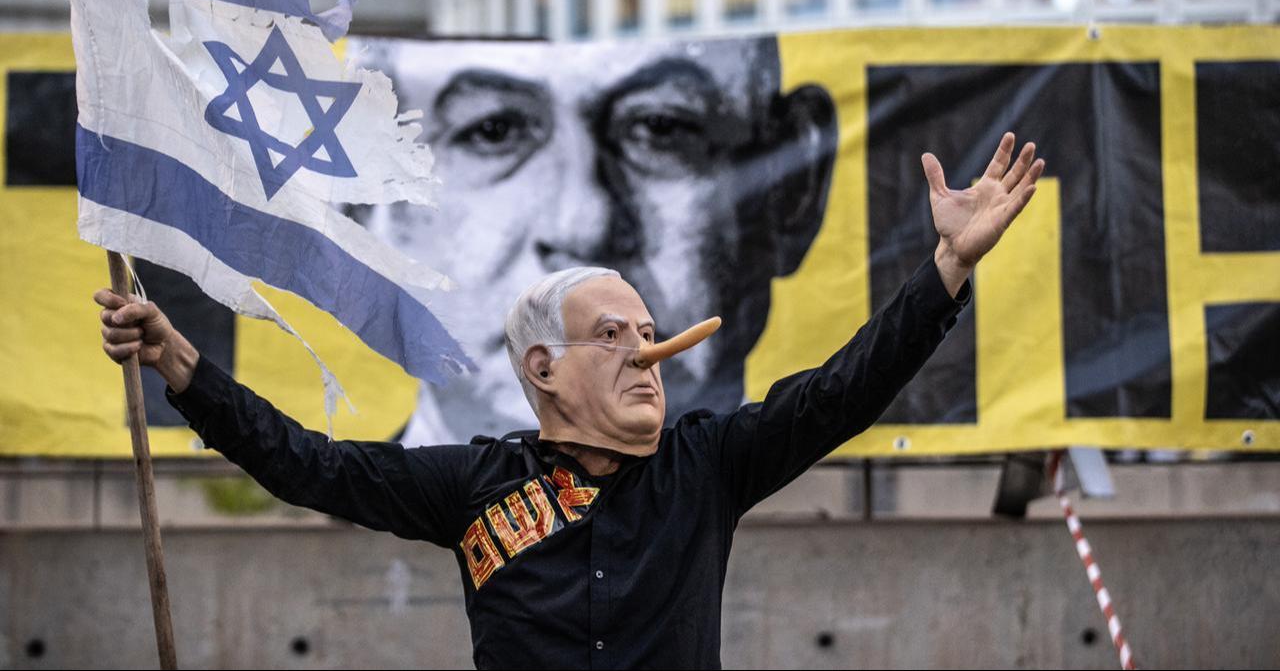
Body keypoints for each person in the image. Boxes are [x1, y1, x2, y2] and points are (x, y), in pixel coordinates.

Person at [96, 133, 1044, 669]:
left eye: (648, 332)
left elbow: (846, 389)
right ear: (542, 368)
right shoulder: (474, 484)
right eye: (612, 335)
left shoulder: (707, 465)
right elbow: (309, 463)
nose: (647, 351)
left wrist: (949, 266)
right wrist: (183, 365)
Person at [351, 35, 837, 444]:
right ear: (359, 202)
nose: (585, 224)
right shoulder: (384, 499)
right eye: (493, 131)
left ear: (793, 188)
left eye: (660, 128)